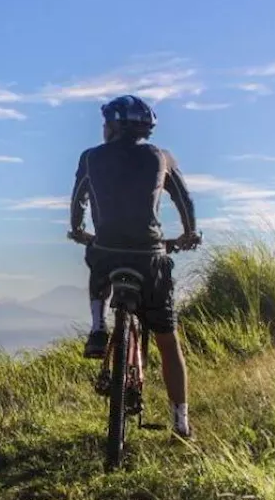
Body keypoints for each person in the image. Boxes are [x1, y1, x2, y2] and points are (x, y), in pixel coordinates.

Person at [67, 94, 201, 439]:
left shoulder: (90, 157)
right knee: (168, 341)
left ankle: (98, 327)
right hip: (150, 256)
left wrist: (80, 231)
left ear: (112, 126)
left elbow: (78, 198)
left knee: (95, 256)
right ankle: (181, 425)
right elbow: (184, 200)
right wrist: (189, 234)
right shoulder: (162, 157)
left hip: (108, 251)